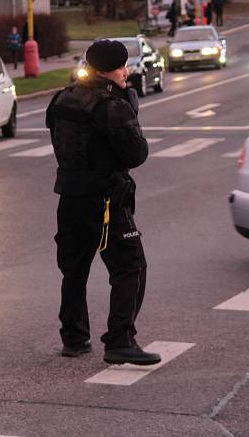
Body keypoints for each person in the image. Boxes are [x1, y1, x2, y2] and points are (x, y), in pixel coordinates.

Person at [45, 39, 161, 366]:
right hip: (105, 200)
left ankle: (74, 337)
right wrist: (127, 105)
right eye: (123, 66)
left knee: (74, 270)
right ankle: (120, 340)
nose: (127, 72)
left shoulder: (63, 98)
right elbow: (136, 154)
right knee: (130, 266)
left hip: (69, 197)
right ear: (111, 69)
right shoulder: (111, 105)